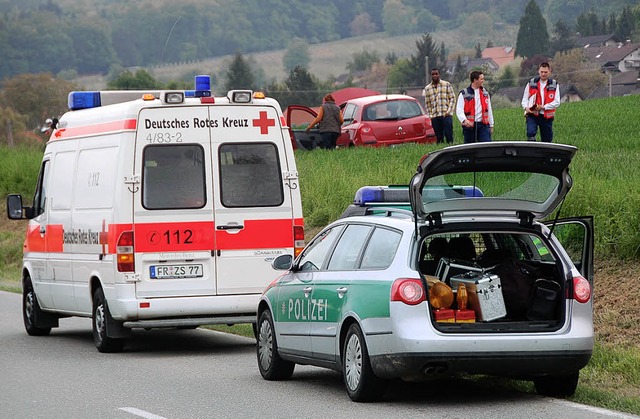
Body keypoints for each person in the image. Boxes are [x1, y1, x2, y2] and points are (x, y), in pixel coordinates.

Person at [521, 62, 560, 142]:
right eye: (541, 72)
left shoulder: (554, 84)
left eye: (545, 72)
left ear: (549, 72)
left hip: (546, 116)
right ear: (538, 71)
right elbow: (524, 99)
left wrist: (544, 107)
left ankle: (545, 153)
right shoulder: (531, 83)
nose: (543, 74)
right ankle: (532, 151)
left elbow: (557, 102)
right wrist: (526, 107)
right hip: (532, 114)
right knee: (531, 133)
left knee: (547, 139)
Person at [456, 70, 494, 143]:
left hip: (484, 125)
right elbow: (459, 110)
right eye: (481, 79)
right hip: (469, 127)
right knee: (469, 148)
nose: (483, 81)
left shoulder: (485, 93)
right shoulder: (464, 94)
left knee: (486, 146)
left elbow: (489, 109)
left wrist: (491, 125)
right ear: (475, 80)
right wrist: (464, 120)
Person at [423, 68, 456, 144]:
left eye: (436, 74)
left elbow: (452, 98)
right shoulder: (428, 88)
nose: (435, 76)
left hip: (446, 115)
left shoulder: (447, 85)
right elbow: (427, 103)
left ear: (439, 74)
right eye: (433, 74)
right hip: (435, 116)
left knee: (449, 136)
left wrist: (449, 111)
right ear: (430, 76)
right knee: (439, 138)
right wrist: (431, 115)